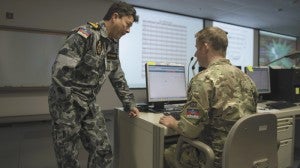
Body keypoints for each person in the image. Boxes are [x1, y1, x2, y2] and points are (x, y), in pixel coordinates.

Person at [48, 2, 140, 168]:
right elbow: (60, 72)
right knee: (68, 159)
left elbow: (116, 74)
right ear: (115, 16)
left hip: (88, 102)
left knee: (103, 152)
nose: (128, 30)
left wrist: (129, 103)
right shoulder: (86, 35)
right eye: (127, 25)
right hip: (67, 103)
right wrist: (67, 108)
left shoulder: (112, 43)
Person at [159, 27, 258, 168]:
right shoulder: (247, 79)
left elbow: (189, 130)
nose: (195, 53)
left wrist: (173, 122)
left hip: (214, 158)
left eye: (196, 48)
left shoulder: (203, 80)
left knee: (167, 152)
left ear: (205, 47)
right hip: (244, 155)